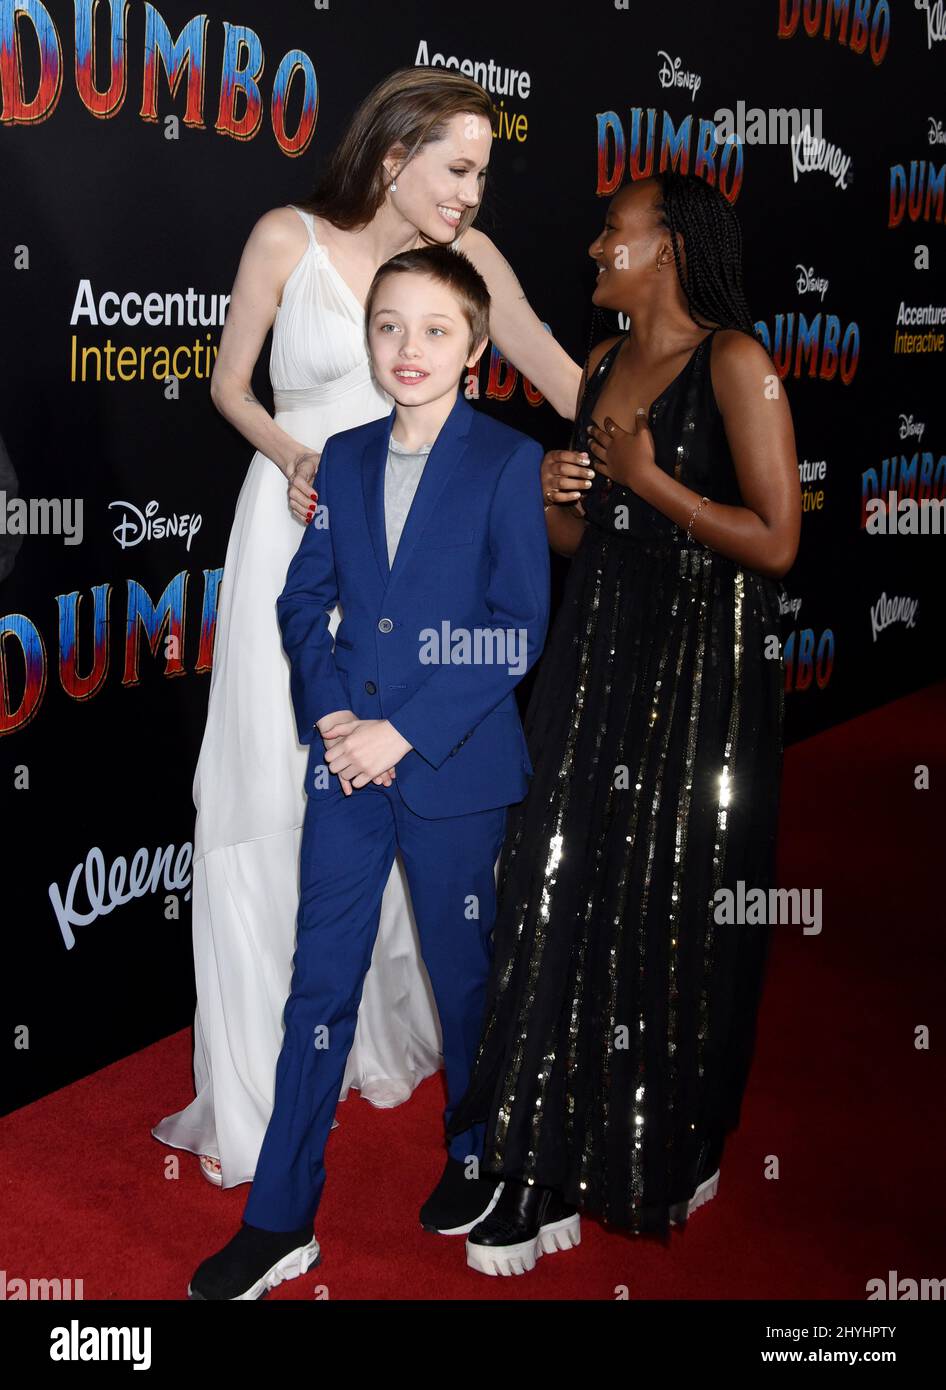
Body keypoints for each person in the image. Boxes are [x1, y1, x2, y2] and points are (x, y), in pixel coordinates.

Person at [152, 67, 581, 1188]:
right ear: (394, 154)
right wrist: (294, 453)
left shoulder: (468, 266)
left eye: (483, 173)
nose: (473, 195)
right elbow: (227, 385)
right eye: (457, 168)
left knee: (394, 776)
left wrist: (681, 417)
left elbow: (555, 370)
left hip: (419, 560)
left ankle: (382, 1052)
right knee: (272, 783)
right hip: (294, 529)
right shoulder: (283, 239)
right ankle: (256, 1093)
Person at [445, 170, 802, 1276]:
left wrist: (647, 479)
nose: (598, 242)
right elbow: (575, 541)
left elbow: (778, 540)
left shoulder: (738, 362)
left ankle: (650, 1139)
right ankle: (535, 1149)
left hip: (700, 672)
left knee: (665, 895)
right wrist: (563, 492)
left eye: (618, 230)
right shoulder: (600, 365)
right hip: (595, 650)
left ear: (669, 252)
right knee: (551, 877)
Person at [187, 243, 550, 1299]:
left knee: (466, 974)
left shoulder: (504, 462)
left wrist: (405, 731)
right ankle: (281, 1217)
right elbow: (304, 602)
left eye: (436, 330)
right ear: (366, 333)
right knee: (318, 984)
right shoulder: (337, 457)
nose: (408, 348)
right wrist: (334, 712)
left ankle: (477, 1146)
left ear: (475, 351)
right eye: (388, 324)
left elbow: (515, 629)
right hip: (342, 764)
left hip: (456, 770)